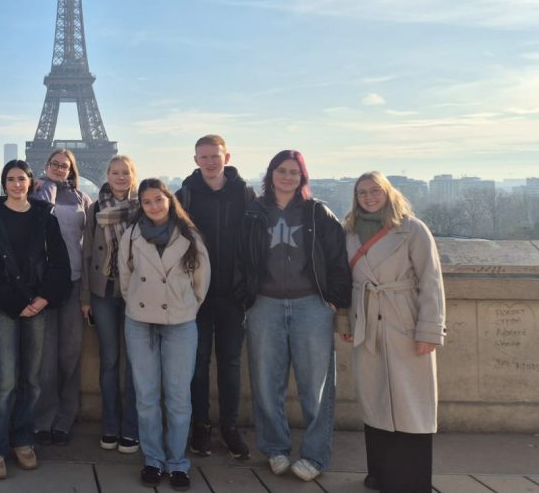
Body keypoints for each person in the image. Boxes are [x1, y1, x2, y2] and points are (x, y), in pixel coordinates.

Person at [237, 149, 351, 482]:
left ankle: (315, 455)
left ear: (302, 178)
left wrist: (333, 299)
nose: (287, 177)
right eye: (281, 170)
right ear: (270, 173)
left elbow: (337, 259)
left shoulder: (317, 213)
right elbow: (240, 259)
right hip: (264, 305)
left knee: (316, 386)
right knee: (265, 383)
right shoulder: (254, 212)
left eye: (294, 172)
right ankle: (275, 448)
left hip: (310, 305)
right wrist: (246, 297)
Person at [341, 172, 446, 493]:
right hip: (367, 323)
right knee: (375, 399)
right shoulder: (348, 233)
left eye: (375, 191)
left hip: (405, 322)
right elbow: (345, 283)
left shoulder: (413, 229)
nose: (369, 197)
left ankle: (411, 479)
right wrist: (346, 323)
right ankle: (380, 473)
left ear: (388, 193)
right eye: (362, 193)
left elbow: (431, 280)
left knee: (411, 400)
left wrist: (429, 330)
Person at [0, 160, 71, 480]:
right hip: (6, 308)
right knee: (6, 381)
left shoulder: (45, 216)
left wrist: (41, 299)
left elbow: (60, 263)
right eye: (11, 179)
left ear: (31, 182)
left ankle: (23, 439)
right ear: (4, 183)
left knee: (31, 379)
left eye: (22, 179)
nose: (17, 184)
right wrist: (18, 304)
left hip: (38, 306)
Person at [118, 178, 209, 491]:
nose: (153, 206)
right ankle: (153, 459)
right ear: (140, 205)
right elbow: (126, 277)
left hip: (179, 321)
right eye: (147, 202)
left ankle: (177, 462)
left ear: (170, 200)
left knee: (178, 397)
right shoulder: (132, 235)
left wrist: (186, 307)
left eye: (158, 199)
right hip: (141, 319)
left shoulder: (189, 236)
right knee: (146, 396)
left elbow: (201, 281)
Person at [178, 135, 254, 459]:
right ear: (195, 160)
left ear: (227, 156)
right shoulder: (184, 196)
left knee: (230, 362)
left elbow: (255, 242)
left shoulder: (246, 194)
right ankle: (202, 426)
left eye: (215, 156)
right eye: (204, 157)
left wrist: (247, 283)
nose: (210, 162)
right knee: (198, 363)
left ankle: (229, 426)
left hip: (233, 294)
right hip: (198, 295)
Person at [32, 148, 92, 446]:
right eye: (54, 164)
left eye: (64, 166)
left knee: (70, 354)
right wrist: (47, 188)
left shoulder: (82, 198)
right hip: (44, 286)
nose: (58, 169)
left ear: (71, 169)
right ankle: (44, 418)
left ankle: (65, 417)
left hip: (74, 282)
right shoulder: (38, 193)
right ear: (46, 165)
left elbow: (91, 243)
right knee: (45, 359)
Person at [81, 155, 140, 454]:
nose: (120, 177)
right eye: (115, 172)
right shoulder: (95, 209)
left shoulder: (144, 207)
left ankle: (131, 427)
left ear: (133, 175)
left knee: (134, 363)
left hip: (135, 294)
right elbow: (87, 255)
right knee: (110, 361)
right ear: (107, 174)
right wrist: (84, 298)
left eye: (125, 172)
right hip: (103, 292)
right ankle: (110, 424)